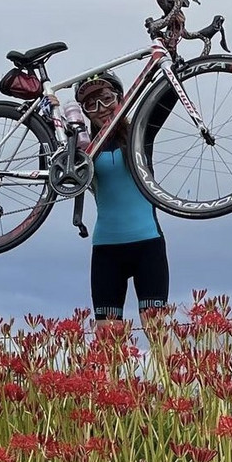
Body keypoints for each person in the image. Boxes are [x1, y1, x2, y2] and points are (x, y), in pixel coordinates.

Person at [74, 71, 172, 362]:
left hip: (148, 246)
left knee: (157, 330)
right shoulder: (82, 151)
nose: (101, 108)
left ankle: (179, 396)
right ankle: (112, 404)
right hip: (106, 251)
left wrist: (172, 48)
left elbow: (166, 97)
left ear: (120, 99)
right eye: (91, 105)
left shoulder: (141, 135)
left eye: (106, 99)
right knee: (107, 339)